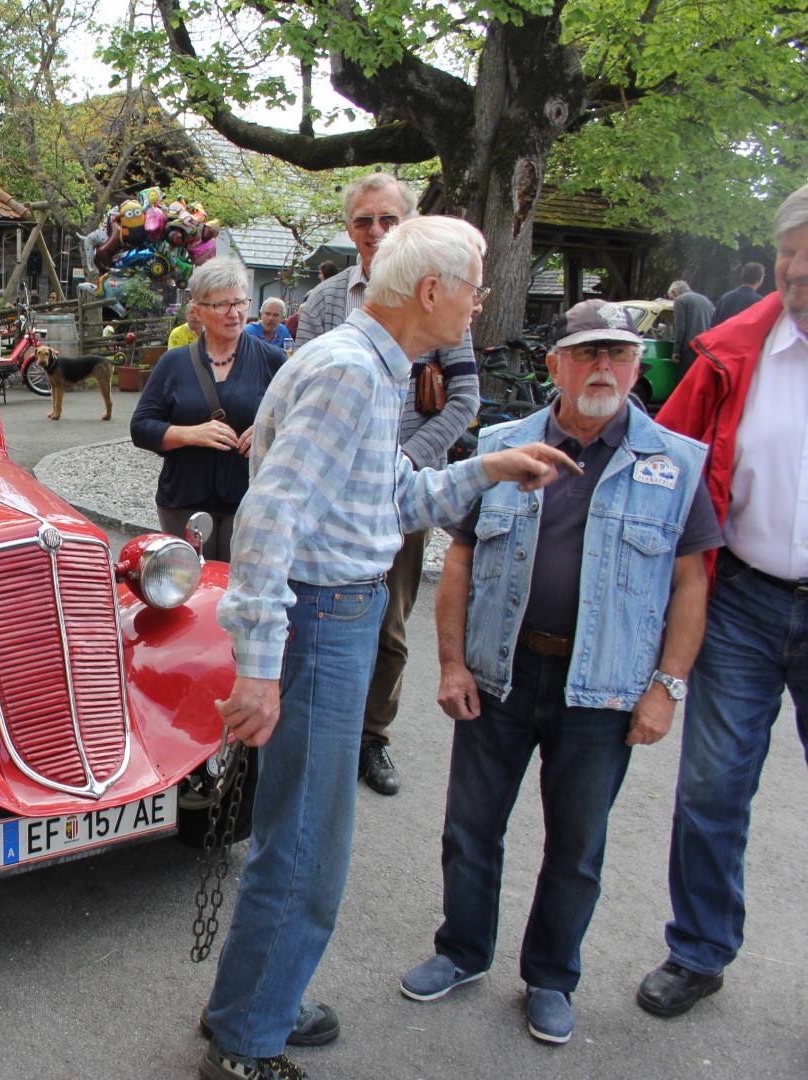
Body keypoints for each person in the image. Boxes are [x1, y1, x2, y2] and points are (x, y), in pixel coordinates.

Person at [199, 217, 575, 1080]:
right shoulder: (350, 374)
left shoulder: (368, 366)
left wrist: (490, 466)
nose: (480, 303)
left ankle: (253, 1006)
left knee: (301, 837)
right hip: (325, 622)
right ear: (434, 292)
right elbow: (267, 518)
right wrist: (258, 668)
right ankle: (248, 1043)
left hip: (340, 617)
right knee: (305, 847)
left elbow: (394, 499)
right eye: (475, 286)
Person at [400, 298, 719, 1045]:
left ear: (638, 366)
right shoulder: (502, 445)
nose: (603, 367)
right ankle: (462, 951)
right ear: (556, 365)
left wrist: (666, 689)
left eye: (618, 354)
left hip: (603, 691)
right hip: (501, 675)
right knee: (470, 829)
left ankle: (550, 976)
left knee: (576, 849)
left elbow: (691, 585)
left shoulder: (673, 464)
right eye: (587, 353)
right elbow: (461, 561)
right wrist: (450, 664)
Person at [636, 181, 808, 1019]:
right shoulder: (733, 348)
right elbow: (665, 453)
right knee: (712, 786)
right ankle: (700, 950)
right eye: (791, 252)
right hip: (743, 597)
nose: (800, 270)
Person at [294, 172, 479, 796]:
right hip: (333, 494)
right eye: (363, 221)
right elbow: (302, 396)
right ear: (349, 229)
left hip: (403, 488)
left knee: (389, 624)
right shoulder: (325, 303)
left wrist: (400, 458)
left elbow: (464, 398)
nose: (375, 232)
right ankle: (321, 728)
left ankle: (371, 736)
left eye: (388, 220)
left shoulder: (442, 301)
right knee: (323, 608)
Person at [131, 258, 287, 561]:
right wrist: (191, 434)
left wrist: (271, 429)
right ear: (198, 310)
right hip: (183, 501)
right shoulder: (173, 363)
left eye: (240, 302)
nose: (235, 313)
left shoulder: (273, 361)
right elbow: (141, 428)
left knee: (236, 594)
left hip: (249, 500)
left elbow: (302, 423)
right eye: (222, 305)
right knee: (188, 592)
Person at [668, 279, 715, 374]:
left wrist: (676, 351)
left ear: (674, 292)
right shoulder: (706, 301)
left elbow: (680, 328)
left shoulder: (680, 300)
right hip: (706, 350)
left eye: (672, 298)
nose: (673, 300)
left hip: (689, 350)